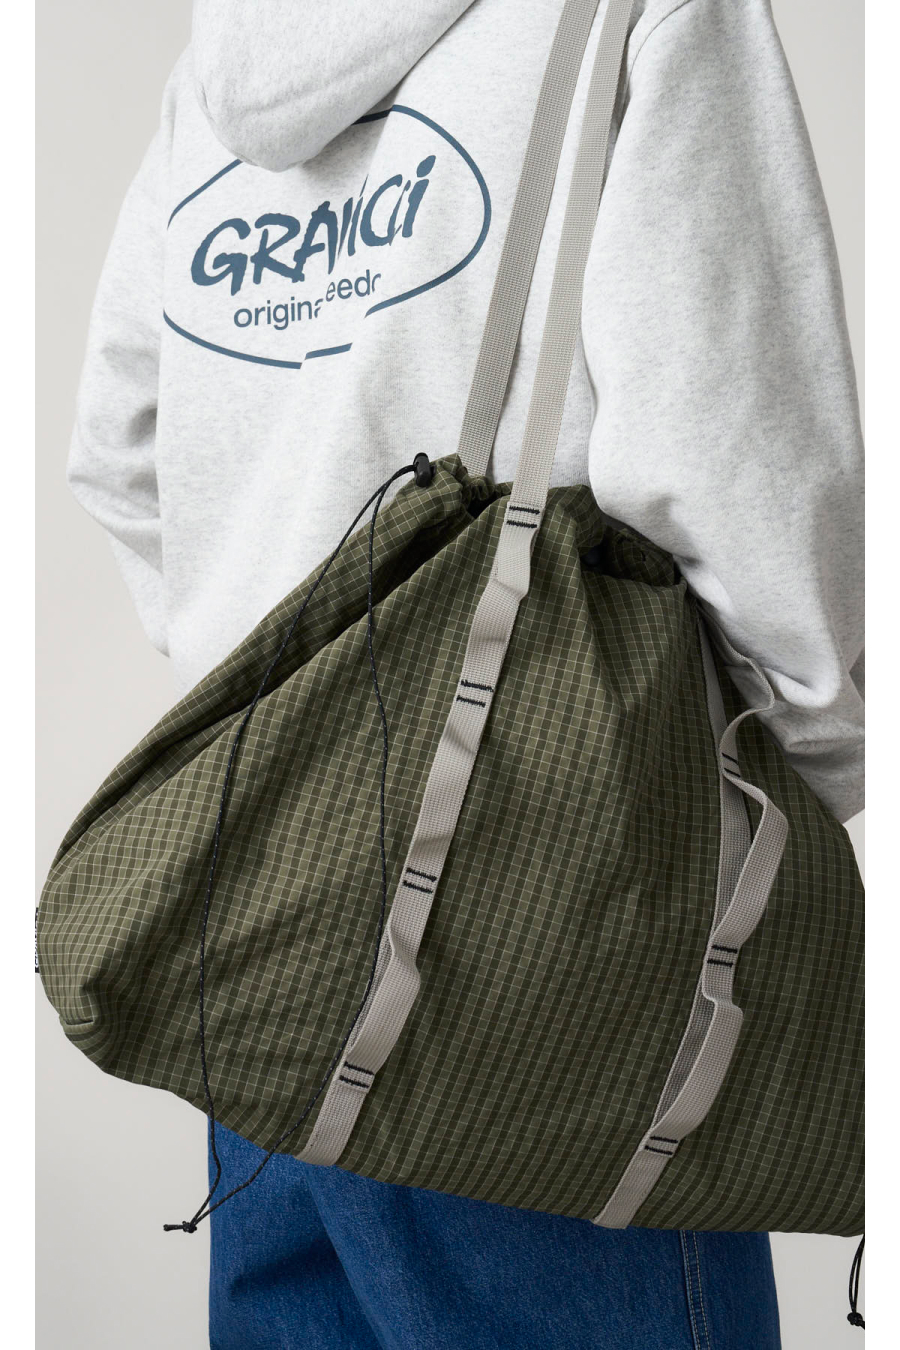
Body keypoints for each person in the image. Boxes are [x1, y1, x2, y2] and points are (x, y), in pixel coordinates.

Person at [67, 1, 862, 1345]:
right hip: (553, 926)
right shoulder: (643, 12)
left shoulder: (219, 72)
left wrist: (269, 670)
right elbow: (739, 460)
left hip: (258, 928)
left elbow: (120, 452)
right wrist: (802, 769)